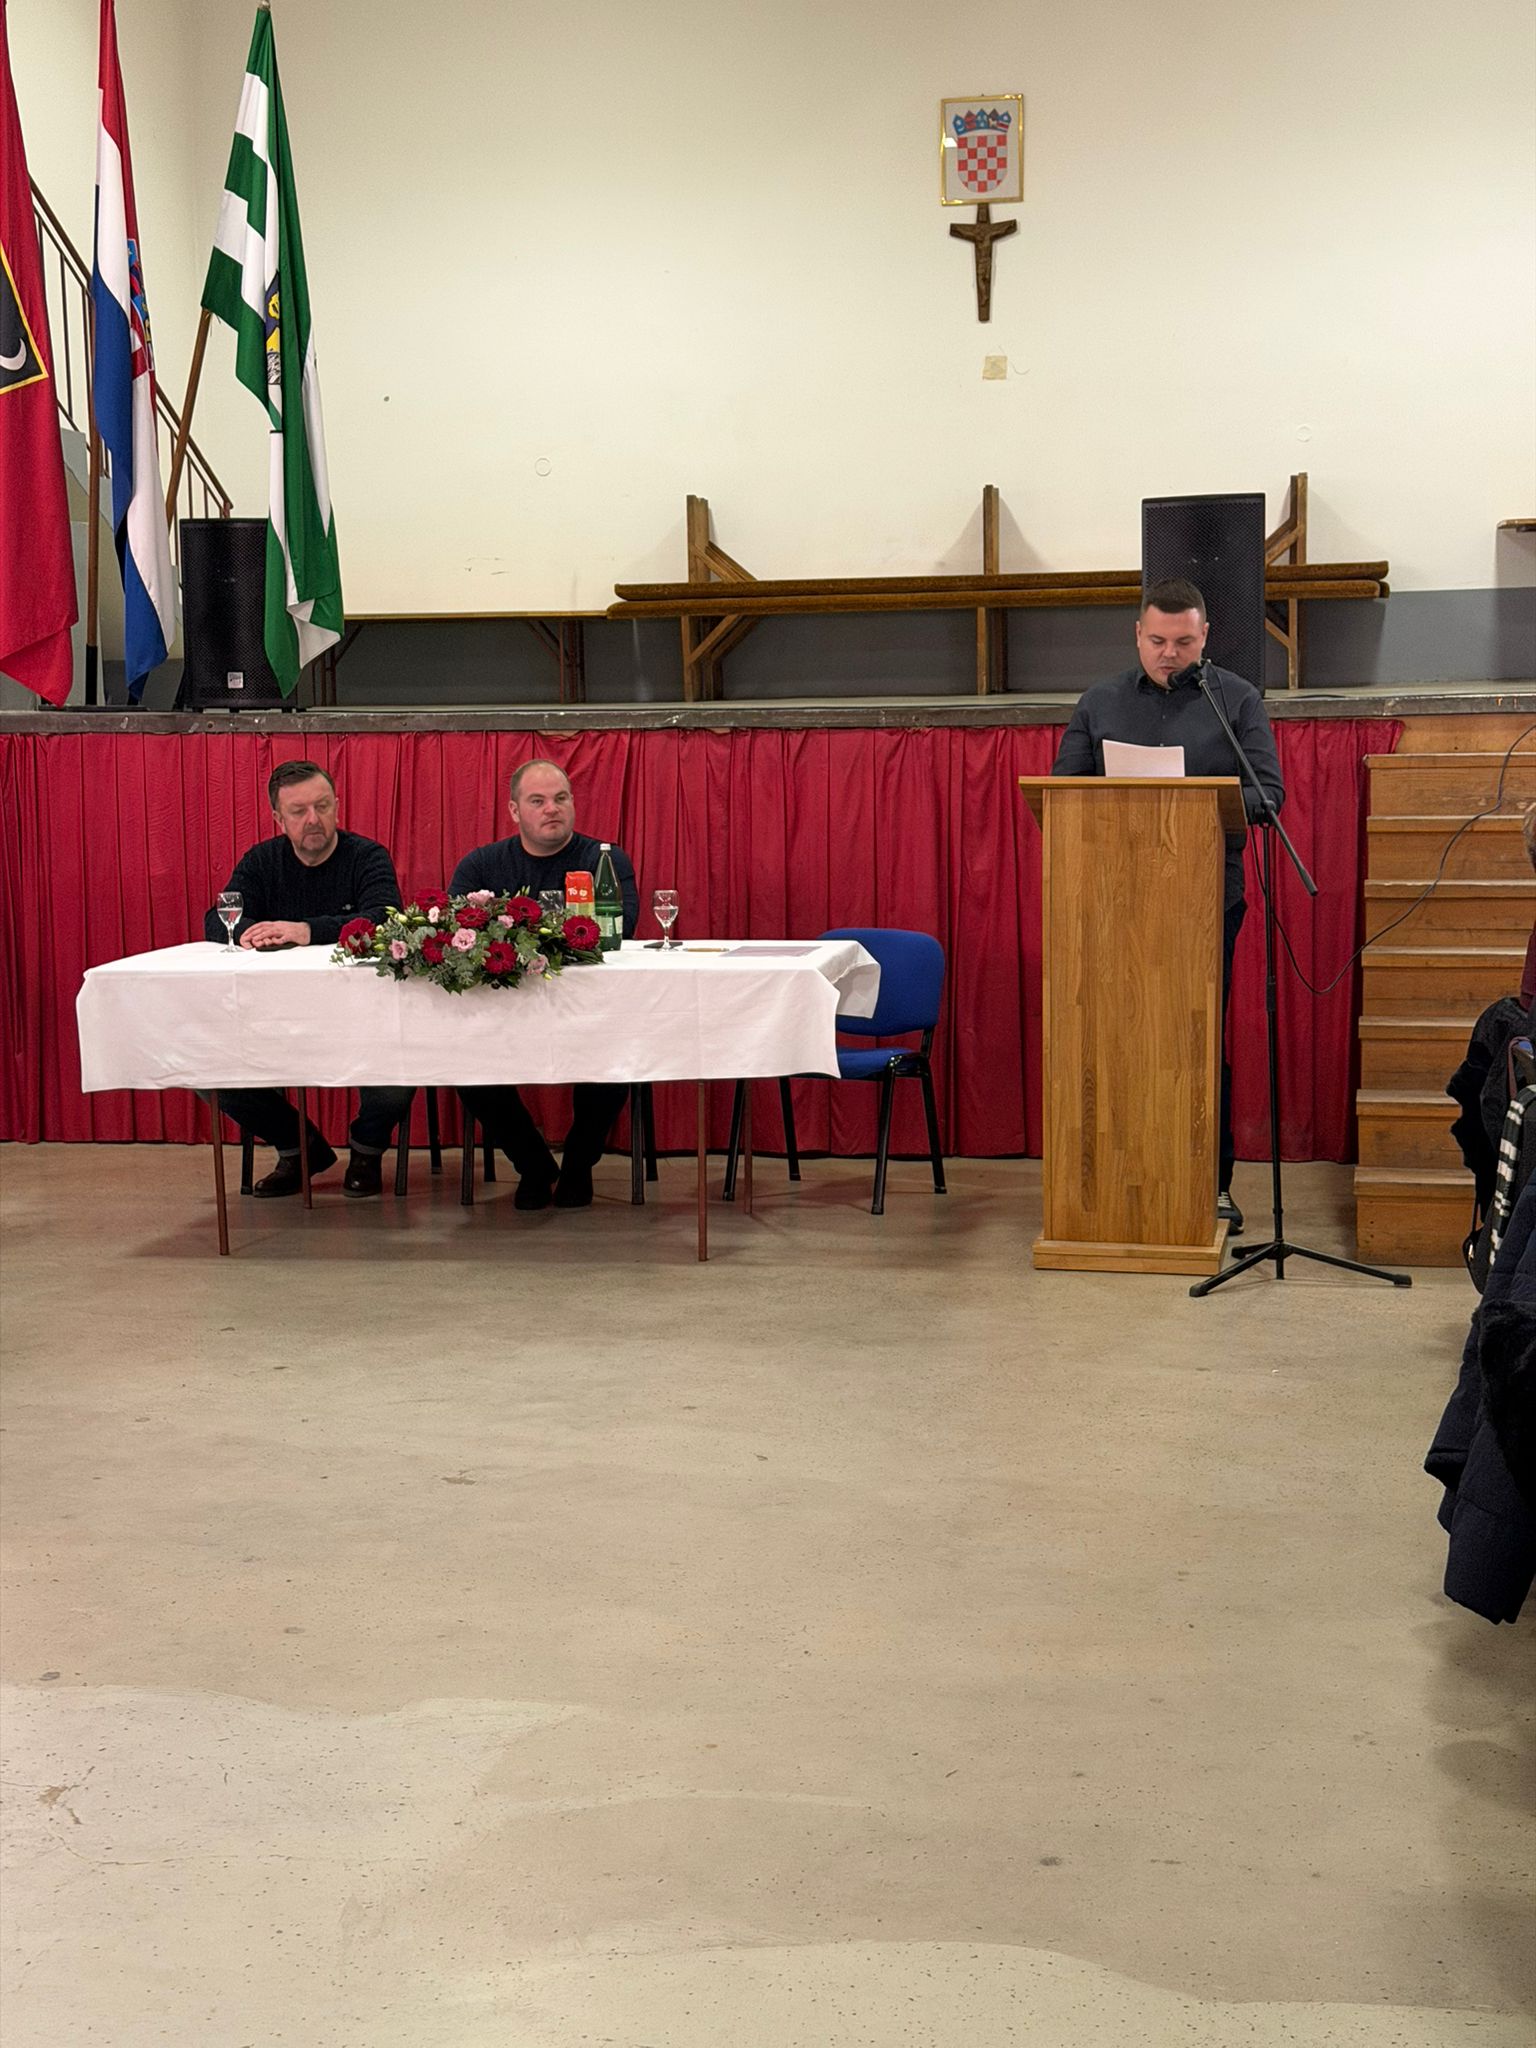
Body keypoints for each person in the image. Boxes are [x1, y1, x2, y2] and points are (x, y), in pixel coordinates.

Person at [1051, 578, 1284, 1234]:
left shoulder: (1235, 699)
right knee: (1110, 1037)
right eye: (1157, 640)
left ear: (1204, 636)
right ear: (1138, 635)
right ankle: (1109, 1176)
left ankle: (1210, 1184)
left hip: (1205, 900)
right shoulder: (1099, 702)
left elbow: (1268, 794)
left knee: (1194, 1039)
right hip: (1107, 902)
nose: (1169, 653)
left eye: (1183, 641)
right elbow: (1061, 792)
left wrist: (1202, 796)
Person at [202, 760, 410, 1198]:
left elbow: (385, 917)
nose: (313, 819)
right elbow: (218, 919)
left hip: (362, 1015)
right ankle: (300, 1148)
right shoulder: (261, 860)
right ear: (279, 818)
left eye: (322, 806)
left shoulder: (367, 856)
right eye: (299, 811)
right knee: (206, 1072)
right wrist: (251, 932)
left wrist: (305, 931)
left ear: (338, 805)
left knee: (399, 1073)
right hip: (274, 1015)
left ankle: (366, 1151)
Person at [451, 759, 640, 1210]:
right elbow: (460, 934)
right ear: (514, 811)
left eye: (561, 798)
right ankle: (533, 1164)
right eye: (537, 801)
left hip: (588, 1013)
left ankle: (578, 1164)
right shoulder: (481, 865)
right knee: (462, 1063)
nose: (552, 809)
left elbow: (623, 927)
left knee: (614, 1059)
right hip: (501, 1014)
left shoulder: (604, 860)